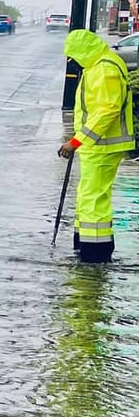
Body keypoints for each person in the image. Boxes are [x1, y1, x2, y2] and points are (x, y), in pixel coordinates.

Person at [58, 29, 134, 263]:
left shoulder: (103, 69)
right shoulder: (100, 65)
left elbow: (106, 111)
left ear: (84, 50)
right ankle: (85, 243)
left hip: (101, 145)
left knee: (93, 198)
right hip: (96, 145)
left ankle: (95, 253)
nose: (74, 61)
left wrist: (75, 141)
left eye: (75, 55)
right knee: (88, 194)